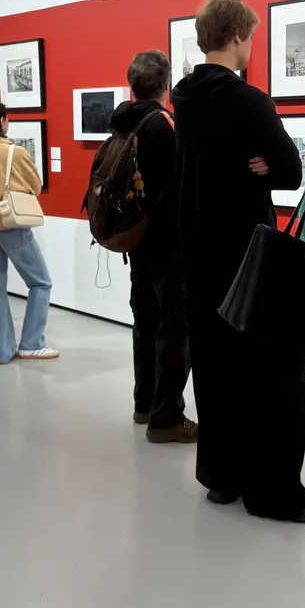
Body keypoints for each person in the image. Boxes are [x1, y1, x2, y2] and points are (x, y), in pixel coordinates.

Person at [171, 0, 305, 524]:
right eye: (252, 37)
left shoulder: (183, 98)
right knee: (270, 371)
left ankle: (222, 477)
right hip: (246, 253)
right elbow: (289, 170)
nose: (252, 46)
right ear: (239, 35)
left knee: (213, 364)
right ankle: (273, 493)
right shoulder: (249, 101)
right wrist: (264, 165)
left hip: (198, 253)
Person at [114, 50, 197, 444]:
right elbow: (181, 187)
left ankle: (144, 403)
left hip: (139, 241)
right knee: (174, 329)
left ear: (133, 85)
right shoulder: (164, 125)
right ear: (166, 84)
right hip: (169, 245)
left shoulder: (124, 123)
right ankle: (166, 417)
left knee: (145, 322)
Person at [0, 99, 57, 365]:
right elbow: (36, 186)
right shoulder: (14, 152)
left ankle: (3, 351)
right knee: (40, 282)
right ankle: (31, 343)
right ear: (2, 121)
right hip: (11, 227)